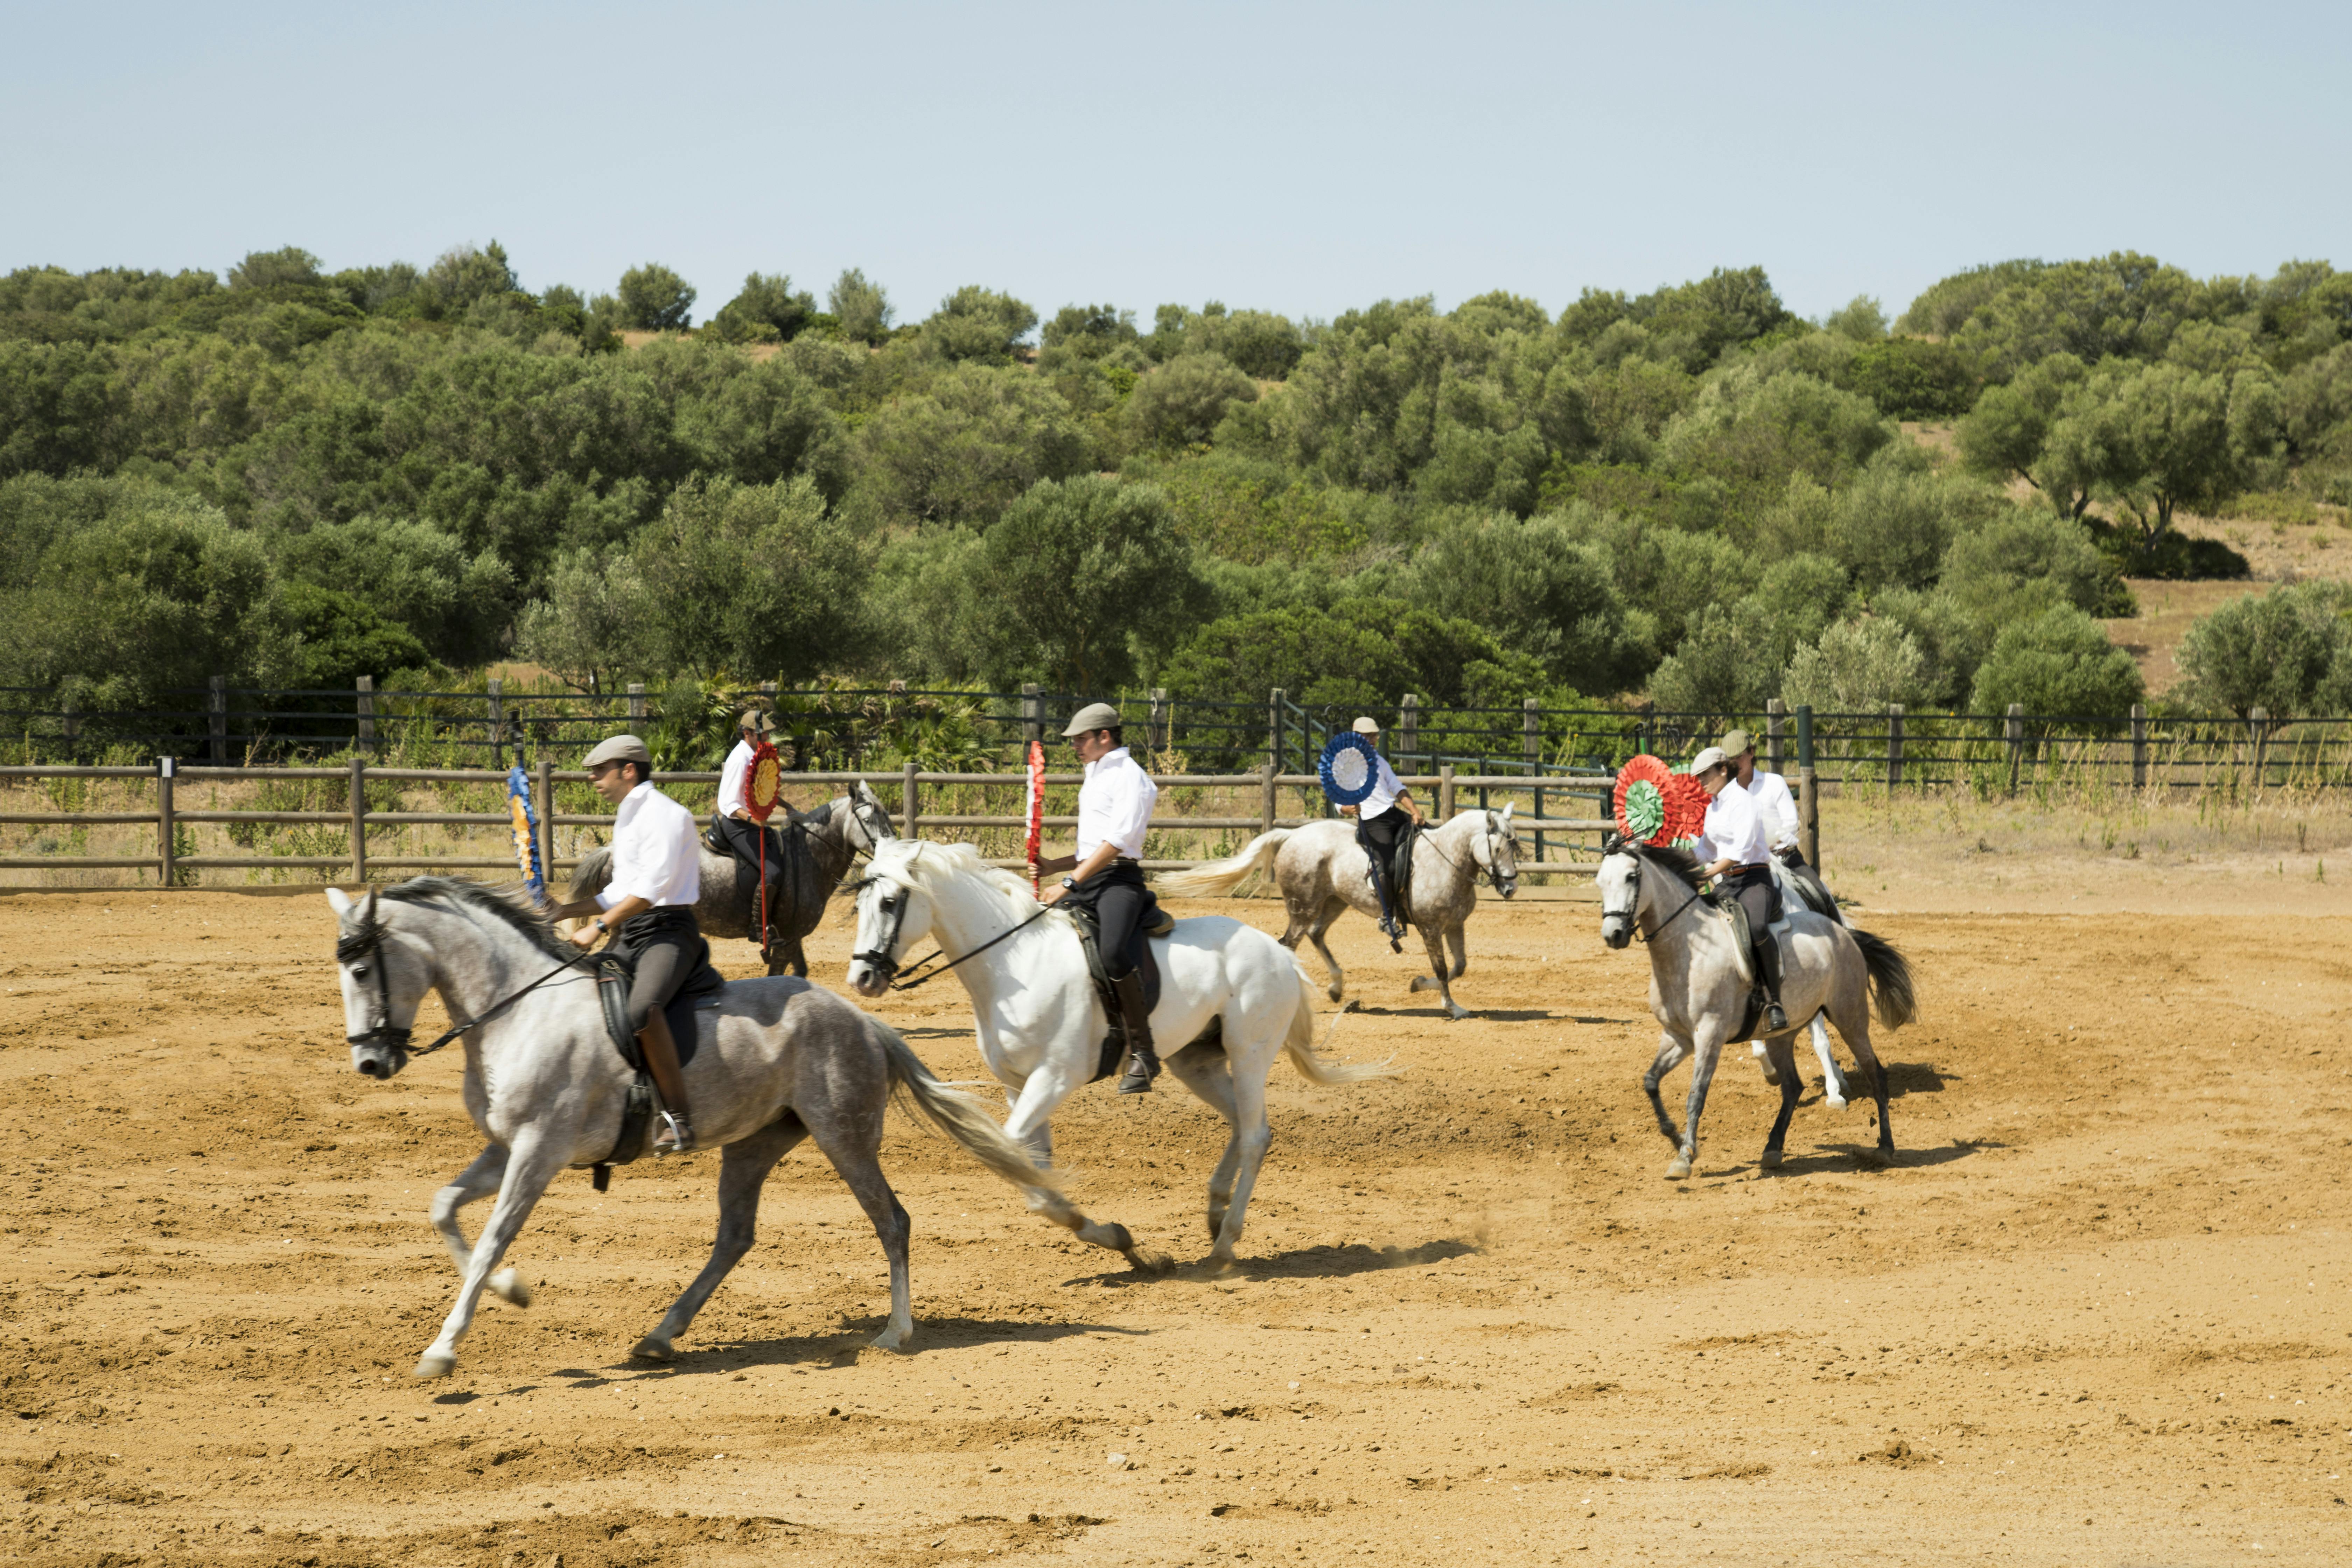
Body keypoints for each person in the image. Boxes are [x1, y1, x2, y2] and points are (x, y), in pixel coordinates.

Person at [548, 734, 705, 1152]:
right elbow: (621, 890)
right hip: (632, 931)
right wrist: (564, 911)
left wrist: (597, 928)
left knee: (640, 1010)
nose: (593, 778)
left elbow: (650, 892)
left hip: (669, 932)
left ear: (628, 770)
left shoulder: (668, 816)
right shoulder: (628, 816)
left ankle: (679, 1117)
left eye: (600, 770)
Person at [1035, 702, 1162, 1094]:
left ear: (1104, 736)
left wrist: (1069, 883)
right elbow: (1092, 844)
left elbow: (1118, 843)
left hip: (1118, 882)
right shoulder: (1096, 773)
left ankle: (1144, 1052)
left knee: (1111, 953)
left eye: (1081, 740)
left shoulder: (1130, 777)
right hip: (1089, 877)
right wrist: (1053, 865)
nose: (1075, 747)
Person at [1689, 744, 1786, 1033]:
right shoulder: (1714, 807)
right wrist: (1681, 868)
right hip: (1729, 881)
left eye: (1706, 775)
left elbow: (1742, 850)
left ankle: (1774, 1001)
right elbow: (1705, 849)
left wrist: (1708, 874)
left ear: (1723, 769)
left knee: (1756, 928)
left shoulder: (1743, 801)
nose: (1702, 782)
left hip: (1755, 879)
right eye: (1699, 777)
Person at [1720, 727, 1833, 918]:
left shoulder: (1774, 783)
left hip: (1786, 859)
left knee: (1821, 893)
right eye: (1731, 760)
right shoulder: (1726, 795)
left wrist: (1771, 844)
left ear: (1751, 753)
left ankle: (1843, 935)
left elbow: (1791, 824)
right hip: (1746, 867)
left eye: (1739, 757)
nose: (1735, 764)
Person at [1339, 715, 1426, 948]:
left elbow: (1398, 788)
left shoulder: (1380, 762)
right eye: (1368, 736)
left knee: (1426, 836)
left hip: (1391, 813)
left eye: (1374, 735)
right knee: (1386, 865)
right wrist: (1346, 808)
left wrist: (1415, 812)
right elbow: (1338, 797)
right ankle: (1386, 918)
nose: (1374, 739)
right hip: (1371, 821)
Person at [711, 709, 786, 937]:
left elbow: (762, 791)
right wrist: (755, 820)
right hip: (738, 826)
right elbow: (729, 804)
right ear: (747, 733)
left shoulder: (755, 755)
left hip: (751, 824)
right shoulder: (739, 760)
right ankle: (757, 926)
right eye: (762, 734)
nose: (766, 739)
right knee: (772, 872)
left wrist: (788, 806)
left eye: (766, 734)